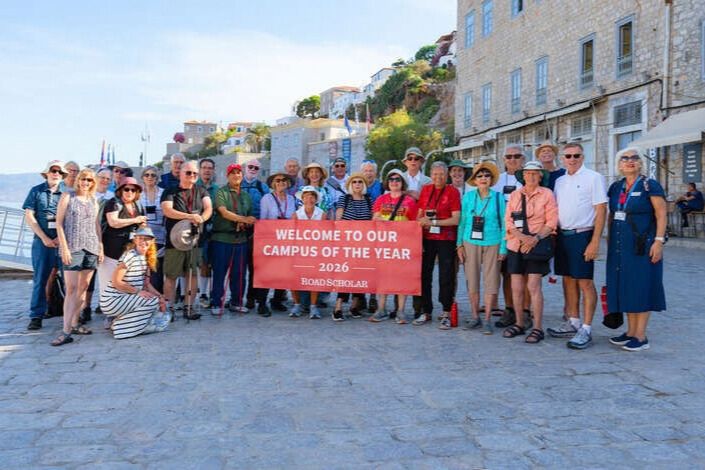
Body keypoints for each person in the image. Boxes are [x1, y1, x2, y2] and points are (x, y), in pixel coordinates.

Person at [547, 142, 607, 349]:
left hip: (583, 235)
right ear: (562, 159)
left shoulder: (594, 178)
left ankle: (587, 328)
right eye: (568, 156)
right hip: (563, 236)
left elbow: (601, 210)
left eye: (576, 155)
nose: (572, 159)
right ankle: (573, 321)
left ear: (583, 156)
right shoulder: (560, 181)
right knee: (568, 280)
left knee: (585, 282)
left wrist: (595, 241)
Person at [606, 147, 666, 351]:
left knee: (641, 286)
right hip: (621, 246)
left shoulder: (650, 185)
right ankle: (630, 331)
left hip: (643, 245)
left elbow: (661, 214)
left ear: (640, 163)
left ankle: (641, 336)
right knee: (627, 286)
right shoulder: (616, 187)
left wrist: (659, 241)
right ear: (619, 164)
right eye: (625, 158)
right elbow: (612, 214)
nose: (630, 161)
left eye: (634, 158)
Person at [502, 161, 558, 344]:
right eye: (528, 173)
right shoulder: (515, 195)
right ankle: (519, 323)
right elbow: (509, 221)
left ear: (540, 175)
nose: (531, 176)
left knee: (533, 286)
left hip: (537, 244)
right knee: (516, 287)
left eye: (535, 173)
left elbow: (551, 222)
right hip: (516, 245)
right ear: (523, 176)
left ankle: (537, 327)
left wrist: (534, 239)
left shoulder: (547, 194)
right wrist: (521, 237)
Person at [52, 169, 102, 345]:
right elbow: (59, 223)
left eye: (89, 180)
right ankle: (65, 331)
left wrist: (100, 247)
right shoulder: (68, 196)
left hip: (91, 247)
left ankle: (75, 322)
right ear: (78, 180)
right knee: (71, 289)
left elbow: (96, 225)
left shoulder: (94, 200)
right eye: (83, 179)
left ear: (93, 182)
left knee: (84, 287)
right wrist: (64, 248)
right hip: (72, 248)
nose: (86, 182)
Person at [456, 162, 506, 335]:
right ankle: (475, 315)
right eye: (480, 176)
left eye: (487, 176)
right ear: (475, 180)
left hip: (493, 242)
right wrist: (459, 245)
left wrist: (503, 248)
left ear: (491, 180)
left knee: (491, 280)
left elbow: (505, 224)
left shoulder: (498, 198)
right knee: (472, 279)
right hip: (470, 241)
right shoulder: (468, 198)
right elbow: (462, 222)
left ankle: (487, 320)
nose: (483, 178)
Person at [161, 160, 213, 319]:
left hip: (195, 240)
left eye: (194, 173)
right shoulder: (170, 191)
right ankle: (168, 309)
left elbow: (208, 208)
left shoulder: (201, 190)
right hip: (174, 241)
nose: (192, 175)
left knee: (193, 274)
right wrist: (190, 216)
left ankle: (189, 307)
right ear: (181, 173)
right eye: (188, 172)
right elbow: (167, 210)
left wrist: (201, 219)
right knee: (171, 276)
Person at [99, 227, 170, 339]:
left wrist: (161, 297)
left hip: (126, 298)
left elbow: (147, 285)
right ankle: (121, 328)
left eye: (147, 239)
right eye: (140, 238)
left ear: (152, 241)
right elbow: (116, 282)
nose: (143, 241)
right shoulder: (129, 256)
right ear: (135, 240)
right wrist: (138, 292)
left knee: (159, 302)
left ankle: (124, 323)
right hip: (112, 299)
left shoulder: (146, 259)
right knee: (152, 302)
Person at [413, 161, 461, 327]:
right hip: (427, 238)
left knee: (446, 275)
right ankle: (426, 311)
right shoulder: (426, 189)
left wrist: (433, 222)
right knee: (424, 275)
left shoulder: (452, 191)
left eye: (441, 174)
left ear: (446, 175)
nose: (438, 177)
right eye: (435, 174)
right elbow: (419, 214)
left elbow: (456, 219)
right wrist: (420, 221)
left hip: (446, 239)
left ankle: (446, 311)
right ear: (430, 175)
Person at [369, 169, 419, 322]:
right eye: (391, 179)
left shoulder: (409, 201)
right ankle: (381, 308)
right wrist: (379, 220)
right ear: (387, 183)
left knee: (401, 277)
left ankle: (401, 311)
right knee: (383, 276)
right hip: (384, 244)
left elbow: (414, 223)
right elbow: (374, 219)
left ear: (402, 182)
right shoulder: (381, 199)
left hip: (402, 245)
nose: (394, 182)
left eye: (397, 179)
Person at [23, 161, 67, 330]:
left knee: (68, 281)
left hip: (63, 243)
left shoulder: (66, 194)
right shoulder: (36, 191)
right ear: (46, 173)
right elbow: (29, 215)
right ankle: (36, 316)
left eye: (59, 171)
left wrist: (60, 239)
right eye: (53, 170)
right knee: (40, 280)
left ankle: (71, 316)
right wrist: (44, 238)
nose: (56, 173)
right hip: (42, 243)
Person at [210, 164, 257, 315]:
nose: (236, 176)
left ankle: (236, 302)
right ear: (227, 176)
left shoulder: (246, 196)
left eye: (238, 173)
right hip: (222, 238)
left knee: (239, 273)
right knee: (219, 272)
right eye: (233, 173)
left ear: (242, 176)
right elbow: (223, 212)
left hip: (241, 240)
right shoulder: (220, 192)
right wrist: (243, 218)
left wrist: (246, 221)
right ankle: (216, 303)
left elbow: (250, 216)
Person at [98, 177, 147, 315]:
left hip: (129, 254)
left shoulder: (138, 205)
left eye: (133, 189)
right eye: (127, 189)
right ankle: (108, 315)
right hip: (111, 252)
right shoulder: (113, 203)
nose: (130, 192)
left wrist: (141, 225)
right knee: (108, 284)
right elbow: (113, 222)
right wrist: (135, 220)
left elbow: (141, 226)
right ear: (120, 190)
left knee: (126, 282)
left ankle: (123, 313)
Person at [493, 146, 526, 328]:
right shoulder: (498, 180)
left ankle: (526, 311)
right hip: (504, 232)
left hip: (525, 232)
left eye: (516, 156)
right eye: (508, 156)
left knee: (526, 274)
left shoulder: (528, 176)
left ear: (522, 158)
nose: (512, 159)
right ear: (504, 159)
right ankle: (509, 308)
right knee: (506, 273)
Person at [333, 172, 373, 321]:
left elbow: (373, 218)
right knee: (346, 275)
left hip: (363, 245)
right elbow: (338, 218)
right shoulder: (345, 198)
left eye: (360, 182)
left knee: (360, 274)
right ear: (350, 184)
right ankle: (338, 307)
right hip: (347, 244)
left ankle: (354, 306)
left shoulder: (369, 200)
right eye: (355, 182)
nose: (357, 184)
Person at [258, 170, 296, 313]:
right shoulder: (266, 198)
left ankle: (277, 300)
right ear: (273, 184)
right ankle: (262, 302)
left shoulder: (291, 199)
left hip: (286, 238)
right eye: (278, 181)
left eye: (283, 180)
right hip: (270, 238)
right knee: (267, 271)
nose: (281, 183)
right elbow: (263, 219)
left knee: (283, 270)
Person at [290, 186, 328, 319]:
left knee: (314, 277)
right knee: (293, 276)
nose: (309, 199)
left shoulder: (322, 214)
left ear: (316, 199)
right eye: (306, 196)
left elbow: (324, 235)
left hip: (316, 251)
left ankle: (313, 306)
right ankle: (296, 304)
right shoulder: (296, 214)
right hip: (299, 250)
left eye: (312, 196)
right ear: (302, 198)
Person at [240, 159, 270, 309]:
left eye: (256, 168)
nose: (252, 169)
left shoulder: (262, 187)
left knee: (254, 267)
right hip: (238, 228)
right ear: (245, 167)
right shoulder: (237, 184)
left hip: (257, 229)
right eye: (250, 166)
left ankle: (252, 297)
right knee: (239, 266)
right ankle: (236, 297)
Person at [140, 166, 166, 293]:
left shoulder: (163, 193)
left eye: (153, 175)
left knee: (156, 272)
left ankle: (157, 302)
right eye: (147, 175)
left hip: (160, 237)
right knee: (142, 271)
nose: (150, 177)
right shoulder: (137, 194)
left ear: (157, 178)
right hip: (142, 238)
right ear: (142, 177)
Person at [196, 158, 218, 308]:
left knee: (212, 263)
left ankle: (209, 294)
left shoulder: (217, 189)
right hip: (197, 231)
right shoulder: (193, 186)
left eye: (210, 168)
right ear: (200, 170)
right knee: (199, 263)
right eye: (204, 168)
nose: (207, 170)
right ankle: (197, 294)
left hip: (214, 230)